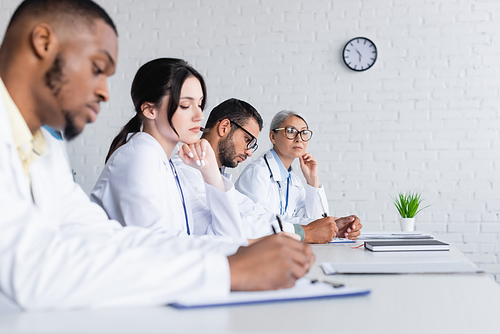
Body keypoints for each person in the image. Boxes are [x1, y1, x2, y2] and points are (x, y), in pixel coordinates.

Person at [0, 0, 314, 310]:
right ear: (43, 42)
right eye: (97, 68)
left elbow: (107, 238)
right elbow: (30, 272)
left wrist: (238, 252)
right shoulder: (138, 156)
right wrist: (229, 268)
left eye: (199, 105)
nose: (105, 92)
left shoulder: (42, 146)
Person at [90, 58, 245, 238]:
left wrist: (211, 172)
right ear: (149, 110)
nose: (199, 115)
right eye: (185, 105)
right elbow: (159, 248)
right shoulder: (139, 157)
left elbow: (229, 238)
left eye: (200, 104)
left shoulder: (169, 167)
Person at [172, 99, 362, 243]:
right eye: (248, 140)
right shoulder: (185, 171)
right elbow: (232, 226)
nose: (248, 151)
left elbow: (257, 213)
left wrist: (332, 226)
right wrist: (305, 232)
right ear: (224, 127)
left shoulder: (216, 175)